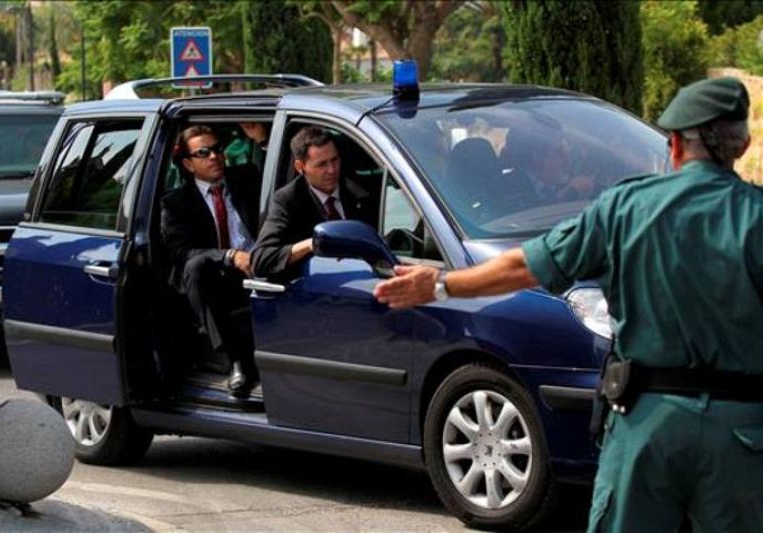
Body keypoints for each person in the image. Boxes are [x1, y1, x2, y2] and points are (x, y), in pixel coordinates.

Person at [374, 76, 762, 532]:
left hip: (647, 427)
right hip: (742, 433)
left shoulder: (624, 207)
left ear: (674, 145)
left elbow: (526, 266)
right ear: (742, 146)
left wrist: (439, 286)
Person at [160, 125, 262, 399]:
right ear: (188, 163)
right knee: (194, 269)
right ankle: (236, 360)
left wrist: (261, 139)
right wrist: (228, 256)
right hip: (218, 276)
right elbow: (181, 254)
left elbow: (279, 171)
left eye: (217, 149)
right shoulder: (176, 203)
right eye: (203, 153)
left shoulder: (246, 178)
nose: (214, 157)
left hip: (260, 265)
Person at [251, 126, 377, 281]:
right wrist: (312, 244)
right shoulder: (288, 200)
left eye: (334, 160)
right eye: (322, 164)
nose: (331, 170)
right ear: (300, 167)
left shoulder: (360, 191)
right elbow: (261, 259)